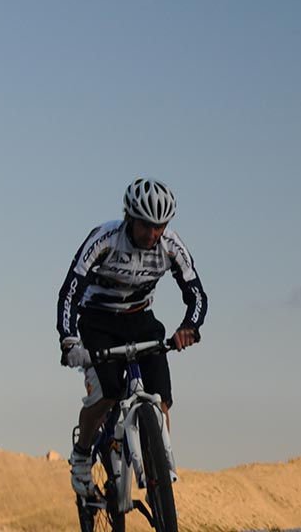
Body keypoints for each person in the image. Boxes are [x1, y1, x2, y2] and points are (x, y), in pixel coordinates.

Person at [56, 178, 207, 497]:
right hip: (98, 321)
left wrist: (189, 328)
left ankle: (159, 475)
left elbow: (195, 293)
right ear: (130, 218)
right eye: (145, 226)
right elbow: (71, 291)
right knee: (108, 393)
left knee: (161, 398)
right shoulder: (105, 238)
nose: (153, 234)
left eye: (160, 226)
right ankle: (82, 455)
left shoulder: (171, 245)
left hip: (140, 319)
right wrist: (69, 340)